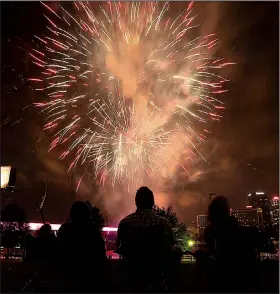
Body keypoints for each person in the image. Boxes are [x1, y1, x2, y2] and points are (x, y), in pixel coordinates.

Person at [116, 187, 175, 290]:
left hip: (133, 274)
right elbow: (170, 244)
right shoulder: (164, 223)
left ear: (136, 202)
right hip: (156, 273)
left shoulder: (125, 223)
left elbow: (118, 246)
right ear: (152, 203)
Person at [204, 196, 257, 292]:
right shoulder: (234, 225)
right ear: (227, 210)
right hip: (239, 273)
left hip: (222, 271)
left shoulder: (211, 230)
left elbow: (210, 247)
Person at [57, 201, 107, 292]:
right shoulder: (93, 229)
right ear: (88, 215)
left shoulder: (65, 229)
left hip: (68, 277)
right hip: (90, 278)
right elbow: (101, 252)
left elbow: (59, 252)